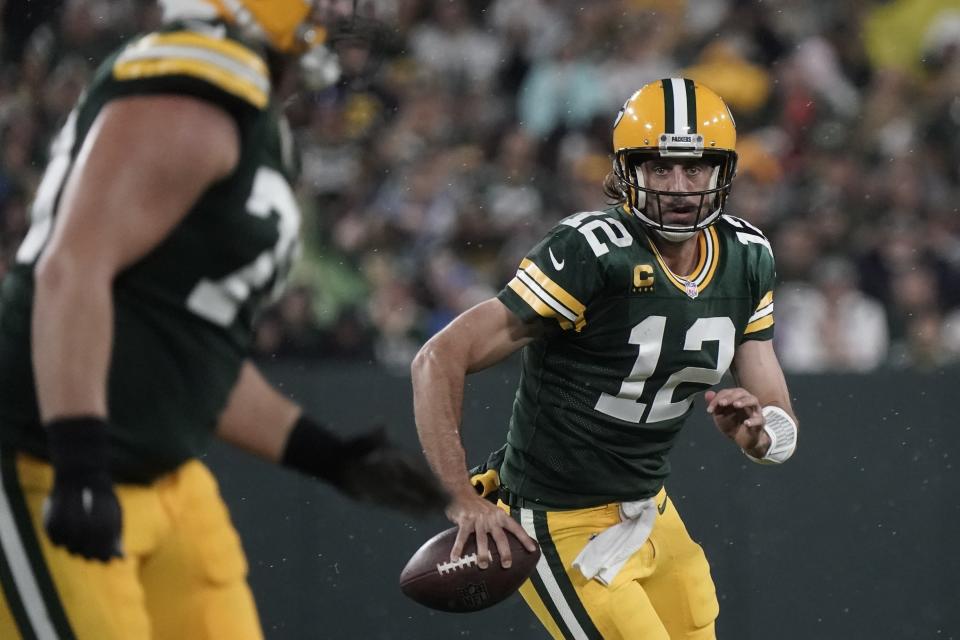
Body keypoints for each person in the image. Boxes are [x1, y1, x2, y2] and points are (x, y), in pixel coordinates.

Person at [0, 2, 446, 638]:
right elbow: (71, 269)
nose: (338, 11)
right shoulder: (200, 78)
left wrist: (330, 457)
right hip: (47, 461)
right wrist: (78, 463)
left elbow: (192, 353)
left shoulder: (252, 115)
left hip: (165, 477)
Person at [412, 78, 799, 639]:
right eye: (659, 168)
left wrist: (762, 436)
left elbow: (775, 410)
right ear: (626, 173)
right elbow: (437, 358)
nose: (679, 186)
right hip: (560, 521)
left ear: (723, 173)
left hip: (649, 509)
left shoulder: (747, 256)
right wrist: (458, 497)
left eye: (694, 169)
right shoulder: (590, 253)